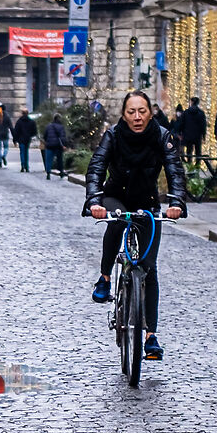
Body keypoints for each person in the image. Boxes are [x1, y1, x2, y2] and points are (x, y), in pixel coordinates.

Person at [84, 88, 186, 362]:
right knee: (116, 221)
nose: (138, 117)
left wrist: (176, 202)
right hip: (116, 195)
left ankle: (151, 336)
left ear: (151, 112)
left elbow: (175, 170)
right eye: (132, 112)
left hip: (148, 202)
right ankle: (105, 278)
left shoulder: (162, 137)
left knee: (149, 269)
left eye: (142, 111)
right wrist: (95, 200)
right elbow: (96, 167)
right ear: (124, 114)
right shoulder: (114, 136)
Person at [176, 95, 208, 170]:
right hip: (197, 136)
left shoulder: (186, 112)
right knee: (198, 152)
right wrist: (204, 135)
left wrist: (179, 132)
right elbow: (203, 125)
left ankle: (190, 167)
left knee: (189, 152)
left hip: (188, 135)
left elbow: (181, 123)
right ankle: (197, 167)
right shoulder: (201, 113)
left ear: (192, 102)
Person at [40, 111, 66, 179]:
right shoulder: (61, 127)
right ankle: (61, 172)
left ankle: (48, 173)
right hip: (58, 145)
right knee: (59, 159)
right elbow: (63, 137)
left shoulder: (49, 126)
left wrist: (46, 141)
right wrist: (64, 145)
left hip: (49, 145)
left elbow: (45, 135)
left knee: (49, 159)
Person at [12, 108, 38, 174]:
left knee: (22, 152)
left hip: (21, 139)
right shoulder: (31, 122)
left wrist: (14, 140)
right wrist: (30, 135)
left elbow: (16, 131)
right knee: (26, 153)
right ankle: (26, 166)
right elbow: (34, 131)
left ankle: (23, 165)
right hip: (27, 139)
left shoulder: (19, 121)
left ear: (22, 113)